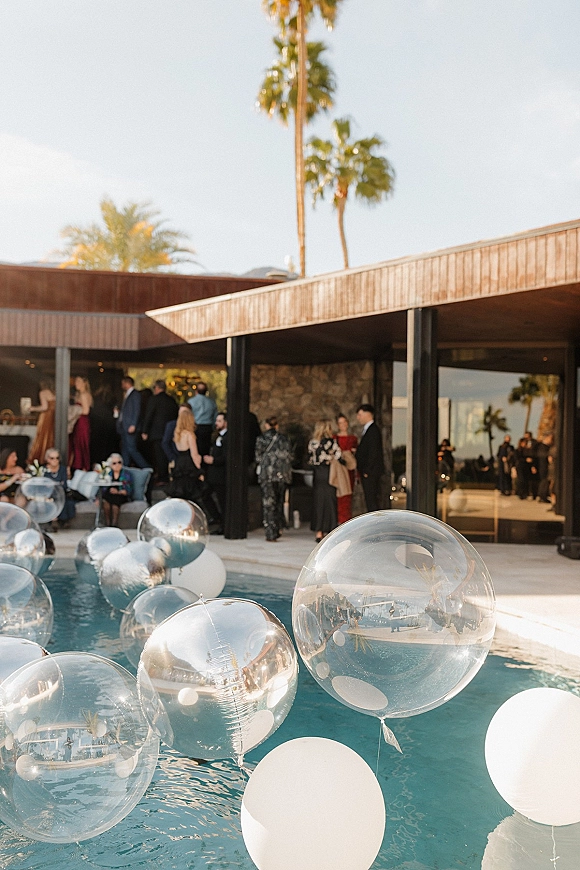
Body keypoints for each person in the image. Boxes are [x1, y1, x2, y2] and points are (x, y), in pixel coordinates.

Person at [255, 416, 292, 542]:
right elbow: (289, 456)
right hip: (282, 475)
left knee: (268, 504)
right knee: (279, 502)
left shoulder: (261, 439)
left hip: (267, 475)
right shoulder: (284, 439)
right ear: (276, 425)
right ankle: (279, 528)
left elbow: (258, 458)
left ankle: (270, 532)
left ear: (266, 425)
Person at [309, 419, 342, 542]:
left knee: (318, 501)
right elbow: (339, 455)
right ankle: (331, 529)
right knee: (330, 501)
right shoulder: (332, 442)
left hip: (317, 473)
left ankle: (318, 531)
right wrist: (330, 456)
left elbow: (310, 458)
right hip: (329, 472)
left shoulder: (313, 443)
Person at [141, 380, 179, 484]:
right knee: (169, 454)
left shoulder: (154, 400)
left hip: (157, 432)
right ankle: (170, 475)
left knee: (159, 456)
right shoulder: (171, 400)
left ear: (157, 388)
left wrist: (145, 431)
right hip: (171, 432)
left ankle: (163, 478)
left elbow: (149, 415)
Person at [166, 406, 204, 502]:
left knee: (181, 491)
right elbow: (194, 455)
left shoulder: (177, 434)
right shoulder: (190, 435)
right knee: (192, 491)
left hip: (180, 462)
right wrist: (199, 470)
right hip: (189, 463)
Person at [355, 403, 384, 512]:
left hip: (370, 472)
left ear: (368, 414)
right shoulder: (369, 430)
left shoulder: (373, 430)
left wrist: (367, 470)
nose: (358, 418)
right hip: (368, 472)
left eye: (360, 414)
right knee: (370, 499)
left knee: (371, 499)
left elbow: (373, 452)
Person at [203, 412, 228, 533]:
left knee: (222, 500)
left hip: (220, 474)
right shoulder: (217, 435)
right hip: (213, 474)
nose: (216, 423)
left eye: (219, 421)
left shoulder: (228, 437)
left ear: (225, 422)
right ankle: (217, 517)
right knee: (205, 494)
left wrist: (214, 460)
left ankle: (223, 525)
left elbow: (227, 456)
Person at [116, 376, 148, 469]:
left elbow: (136, 410)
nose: (122, 386)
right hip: (124, 426)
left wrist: (133, 424)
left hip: (130, 426)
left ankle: (147, 468)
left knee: (131, 449)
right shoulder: (127, 395)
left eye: (123, 383)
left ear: (127, 383)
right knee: (125, 450)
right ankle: (125, 469)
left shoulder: (135, 395)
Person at [43, 448, 75, 530]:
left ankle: (58, 520)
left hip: (61, 492)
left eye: (57, 458)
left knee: (61, 498)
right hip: (47, 494)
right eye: (52, 458)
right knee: (49, 499)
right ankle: (54, 520)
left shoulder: (63, 469)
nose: (55, 460)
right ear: (47, 459)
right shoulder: (43, 470)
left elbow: (64, 484)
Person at [335, 413, 358, 524]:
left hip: (349, 470)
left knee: (348, 495)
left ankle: (347, 521)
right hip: (339, 470)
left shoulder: (353, 438)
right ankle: (339, 520)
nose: (343, 425)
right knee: (339, 494)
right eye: (340, 423)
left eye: (344, 422)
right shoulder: (335, 438)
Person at [102, 453, 133, 527]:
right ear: (111, 465)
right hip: (109, 494)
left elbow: (128, 490)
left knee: (115, 500)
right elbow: (103, 487)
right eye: (114, 463)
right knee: (106, 501)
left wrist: (118, 491)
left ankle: (114, 524)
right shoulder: (108, 474)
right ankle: (108, 523)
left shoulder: (126, 474)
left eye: (119, 462)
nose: (117, 465)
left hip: (121, 495)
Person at [28, 380, 56, 464]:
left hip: (46, 416)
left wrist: (33, 408)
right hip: (54, 416)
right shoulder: (55, 393)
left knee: (42, 436)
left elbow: (44, 407)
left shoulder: (43, 392)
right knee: (51, 436)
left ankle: (40, 458)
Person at [69, 376, 93, 471]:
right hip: (79, 421)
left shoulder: (84, 395)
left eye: (79, 381)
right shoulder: (79, 394)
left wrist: (74, 411)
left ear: (84, 382)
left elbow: (86, 411)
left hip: (82, 422)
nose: (76, 383)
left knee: (81, 444)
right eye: (76, 381)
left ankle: (82, 466)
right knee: (77, 444)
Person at [188, 382, 217, 457]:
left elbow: (188, 416)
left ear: (196, 391)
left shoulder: (191, 402)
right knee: (205, 451)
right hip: (207, 428)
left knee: (195, 450)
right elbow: (215, 417)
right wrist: (213, 427)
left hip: (195, 428)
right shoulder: (211, 402)